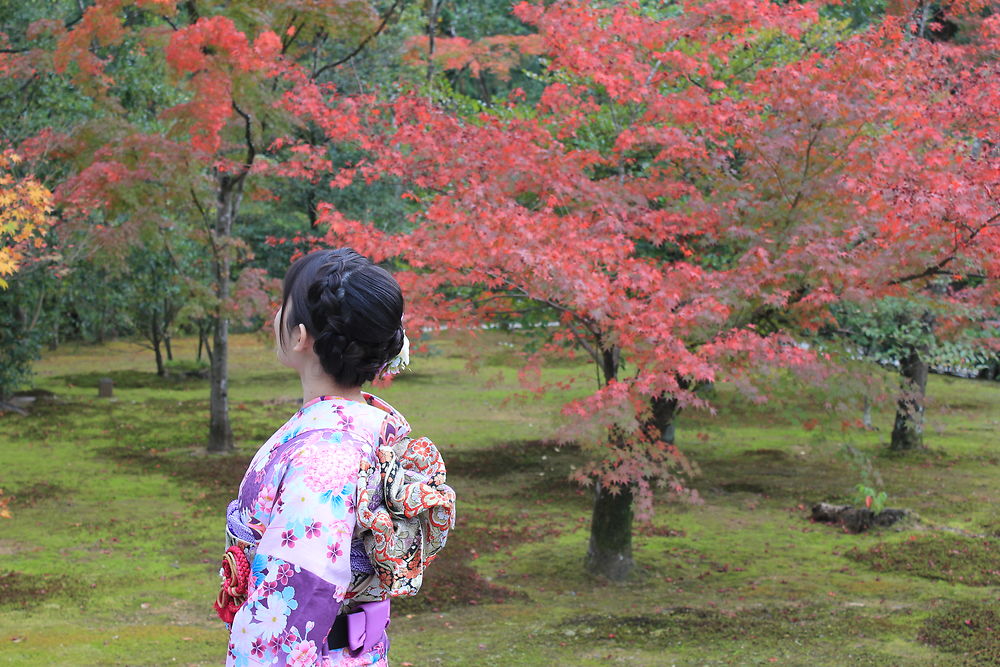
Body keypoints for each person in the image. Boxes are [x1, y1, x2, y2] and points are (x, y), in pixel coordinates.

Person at [220, 248, 434, 667]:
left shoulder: (324, 458)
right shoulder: (368, 426)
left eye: (283, 304)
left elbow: (299, 595)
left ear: (300, 335)